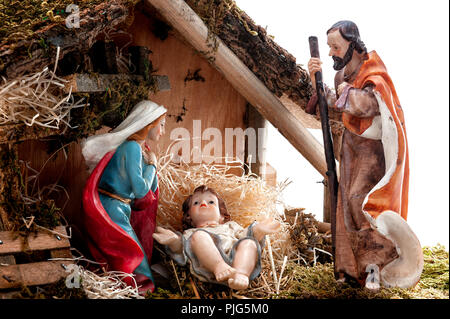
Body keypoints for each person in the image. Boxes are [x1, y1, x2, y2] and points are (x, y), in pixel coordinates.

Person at [306, 21, 422, 288]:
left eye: (336, 46)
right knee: (345, 206)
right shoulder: (341, 76)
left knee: (364, 206)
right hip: (351, 149)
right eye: (330, 47)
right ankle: (349, 271)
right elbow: (335, 106)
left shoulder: (374, 72)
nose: (332, 52)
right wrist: (317, 82)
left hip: (372, 153)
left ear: (353, 45)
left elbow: (368, 104)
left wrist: (344, 95)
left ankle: (376, 267)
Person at [82, 100, 167, 293]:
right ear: (149, 123)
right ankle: (141, 291)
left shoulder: (139, 148)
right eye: (161, 125)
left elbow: (146, 192)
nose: (162, 131)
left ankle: (123, 288)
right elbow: (140, 190)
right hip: (112, 207)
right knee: (134, 258)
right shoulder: (131, 148)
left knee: (123, 255)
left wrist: (151, 167)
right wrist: (152, 166)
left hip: (120, 207)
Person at [152, 185, 280, 290]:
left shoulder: (231, 226)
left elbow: (246, 235)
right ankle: (219, 266)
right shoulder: (192, 233)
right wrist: (174, 241)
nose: (203, 203)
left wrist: (258, 230)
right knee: (200, 236)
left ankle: (241, 274)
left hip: (236, 260)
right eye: (196, 202)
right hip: (209, 269)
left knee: (248, 242)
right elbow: (184, 251)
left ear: (221, 216)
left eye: (211, 202)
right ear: (188, 217)